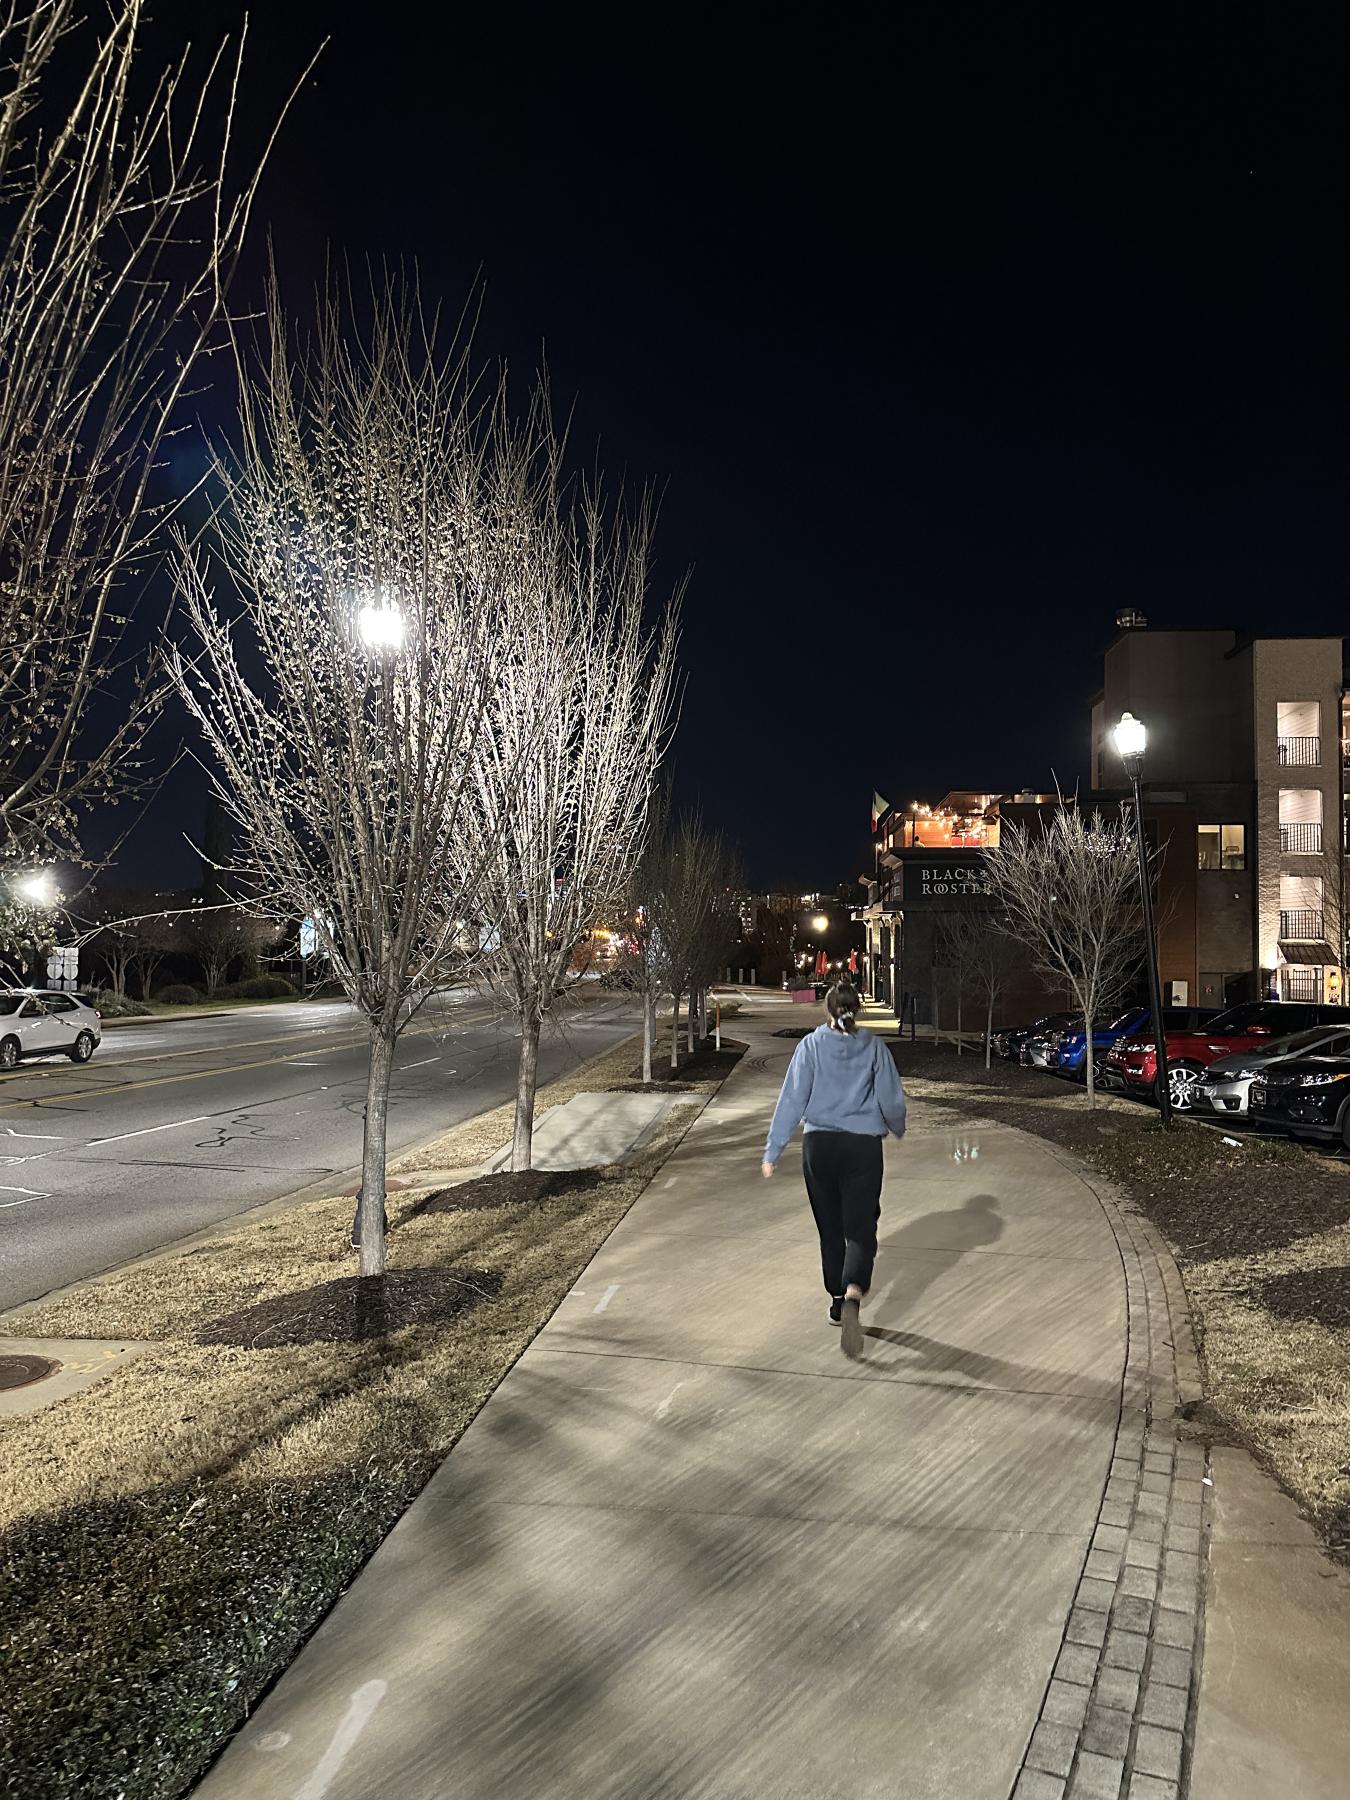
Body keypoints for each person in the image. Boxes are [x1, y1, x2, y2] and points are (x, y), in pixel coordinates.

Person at [760, 980, 907, 1358]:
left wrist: (773, 1151)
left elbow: (792, 1099)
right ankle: (855, 1290)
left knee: (830, 1230)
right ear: (856, 1009)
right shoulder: (874, 1047)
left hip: (820, 1147)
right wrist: (897, 1126)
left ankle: (838, 1300)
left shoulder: (810, 1046)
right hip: (862, 1148)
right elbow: (891, 1098)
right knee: (859, 1229)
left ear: (827, 1010)